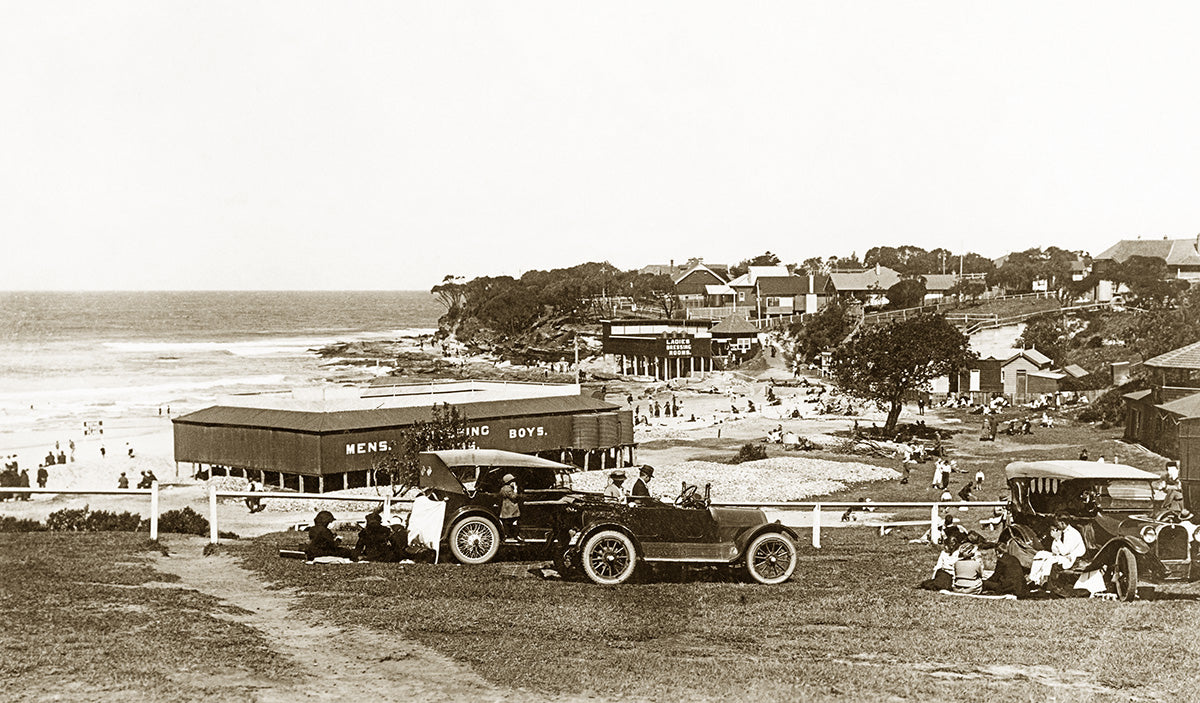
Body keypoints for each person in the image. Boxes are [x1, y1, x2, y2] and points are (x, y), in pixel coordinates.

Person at [1029, 514, 1086, 586]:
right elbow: (1055, 550)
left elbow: (1064, 552)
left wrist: (1057, 539)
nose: (1057, 526)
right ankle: (1033, 578)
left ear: (1063, 523)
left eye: (1057, 523)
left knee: (1048, 561)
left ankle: (1044, 583)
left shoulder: (1072, 533)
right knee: (1040, 554)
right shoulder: (1062, 531)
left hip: (1071, 558)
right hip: (1062, 556)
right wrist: (1056, 539)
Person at [499, 473, 522, 542]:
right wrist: (515, 489)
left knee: (507, 523)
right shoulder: (508, 489)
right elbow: (514, 497)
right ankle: (515, 536)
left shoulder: (503, 488)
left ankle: (507, 536)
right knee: (514, 522)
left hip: (505, 509)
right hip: (511, 509)